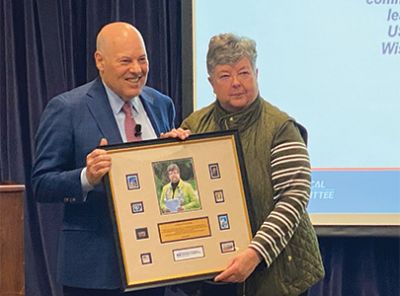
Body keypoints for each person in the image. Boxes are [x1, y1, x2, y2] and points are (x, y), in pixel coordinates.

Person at [31, 22, 188, 296]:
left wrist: (175, 154)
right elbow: (42, 184)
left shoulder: (161, 104)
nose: (137, 70)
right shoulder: (67, 109)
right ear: (100, 61)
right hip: (94, 274)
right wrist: (86, 177)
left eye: (142, 59)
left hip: (155, 267)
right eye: (126, 61)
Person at [177, 33, 325, 296]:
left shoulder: (280, 128)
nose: (236, 83)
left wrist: (256, 253)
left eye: (244, 73)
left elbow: (293, 199)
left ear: (256, 73)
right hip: (216, 277)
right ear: (211, 83)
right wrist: (170, 152)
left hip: (280, 274)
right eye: (225, 76)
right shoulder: (193, 126)